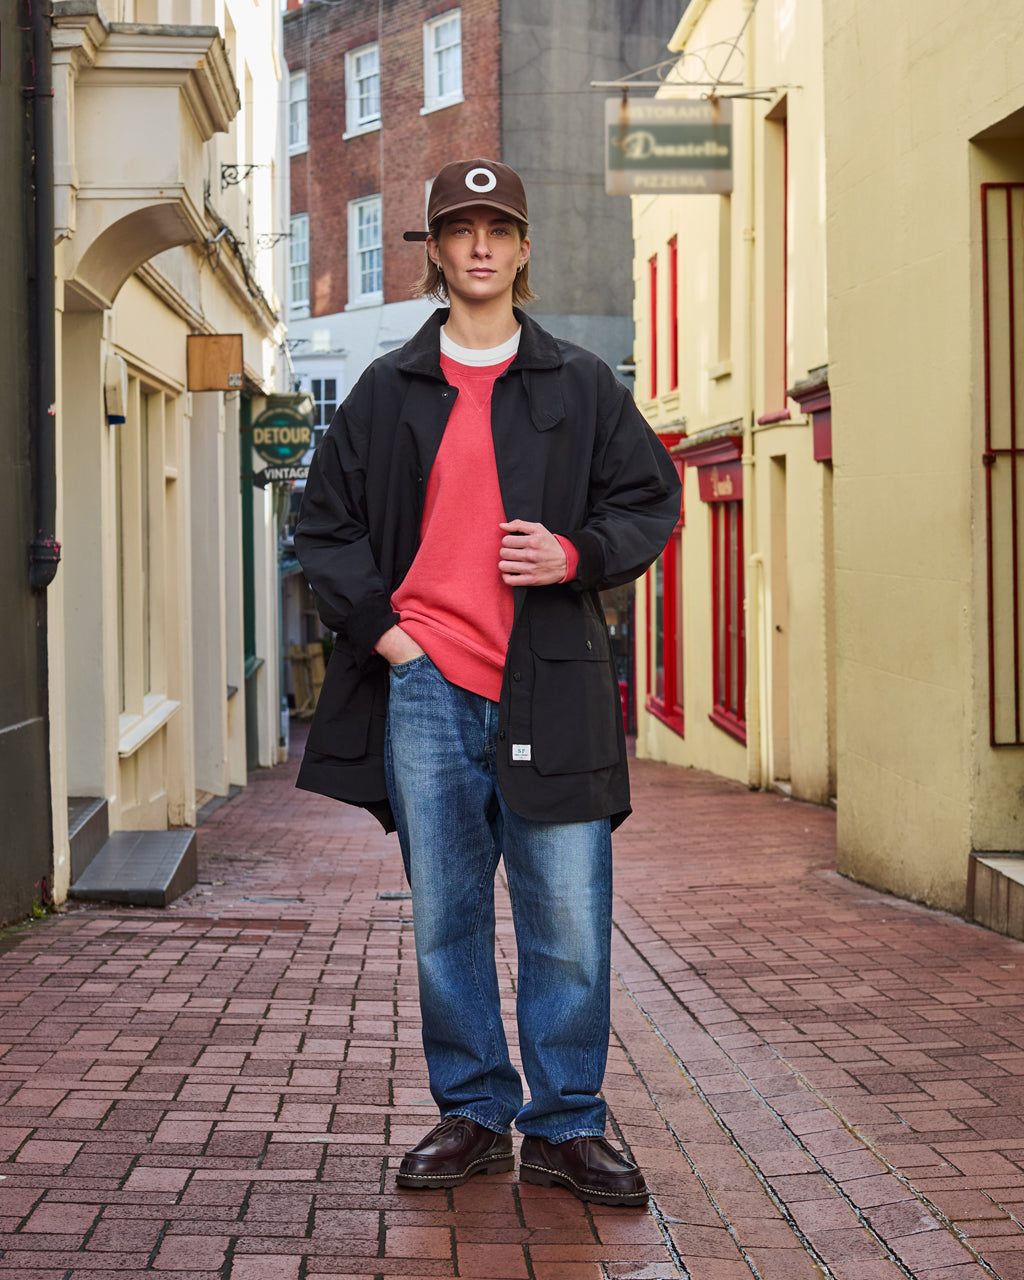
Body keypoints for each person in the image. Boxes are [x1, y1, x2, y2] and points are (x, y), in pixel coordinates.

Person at [294, 158, 681, 1207]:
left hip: (551, 683)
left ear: (521, 249)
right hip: (426, 690)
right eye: (459, 229)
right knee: (446, 919)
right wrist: (389, 638)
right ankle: (471, 1112)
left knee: (569, 917)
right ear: (434, 251)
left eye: (497, 228)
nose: (479, 246)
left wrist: (574, 554)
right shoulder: (388, 389)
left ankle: (566, 1124)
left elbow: (650, 499)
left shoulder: (579, 382)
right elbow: (324, 524)